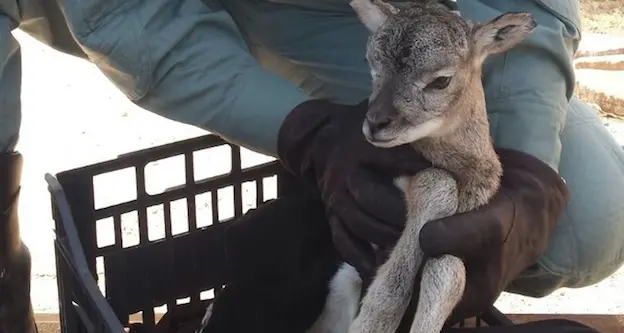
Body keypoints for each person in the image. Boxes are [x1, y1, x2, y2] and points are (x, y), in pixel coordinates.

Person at [1, 0, 623, 332]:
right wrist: (304, 130)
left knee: (585, 222)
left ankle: (460, 117)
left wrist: (526, 170)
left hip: (325, 9)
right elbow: (133, 19)